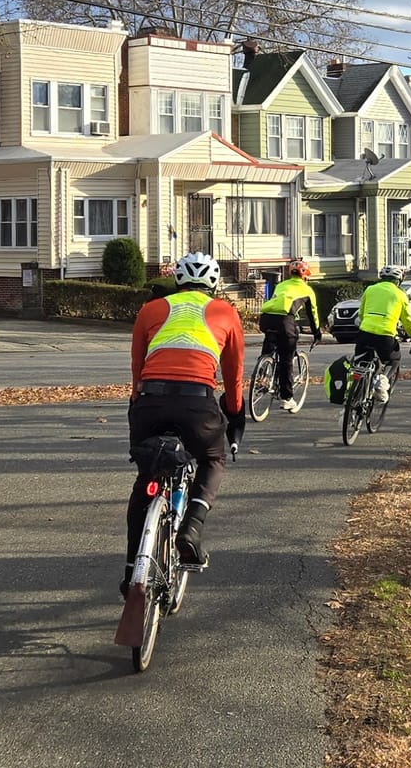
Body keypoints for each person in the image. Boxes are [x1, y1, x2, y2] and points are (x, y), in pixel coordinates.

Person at [125, 251, 245, 594]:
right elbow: (234, 375)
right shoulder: (225, 312)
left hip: (150, 401)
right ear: (213, 284)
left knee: (146, 479)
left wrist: (137, 400)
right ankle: (192, 526)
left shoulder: (151, 309)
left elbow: (137, 367)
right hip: (197, 405)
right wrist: (235, 412)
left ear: (177, 280)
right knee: (212, 459)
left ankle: (132, 570)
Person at [258, 258, 322, 413]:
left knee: (270, 343)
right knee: (286, 360)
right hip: (285, 321)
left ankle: (263, 374)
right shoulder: (307, 290)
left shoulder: (281, 285)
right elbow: (312, 314)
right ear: (305, 275)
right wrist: (317, 333)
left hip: (266, 318)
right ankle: (287, 398)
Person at [354, 265, 411, 396]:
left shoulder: (370, 289)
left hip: (365, 333)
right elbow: (407, 319)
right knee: (395, 359)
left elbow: (361, 313)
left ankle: (353, 390)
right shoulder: (400, 295)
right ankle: (381, 383)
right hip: (385, 336)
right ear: (398, 280)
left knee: (359, 363)